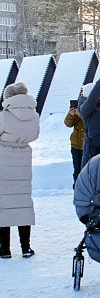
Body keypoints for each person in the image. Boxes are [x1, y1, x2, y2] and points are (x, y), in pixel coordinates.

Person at [0, 82, 40, 259]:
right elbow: (35, 135)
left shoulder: (3, 117)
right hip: (24, 158)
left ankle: (4, 249)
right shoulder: (34, 115)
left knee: (4, 205)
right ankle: (26, 247)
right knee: (23, 202)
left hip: (3, 159)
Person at [64, 97, 85, 185]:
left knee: (86, 170)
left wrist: (81, 115)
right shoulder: (75, 111)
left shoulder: (89, 107)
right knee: (77, 169)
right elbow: (68, 124)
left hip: (88, 145)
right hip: (76, 145)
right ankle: (76, 187)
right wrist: (70, 115)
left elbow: (90, 122)